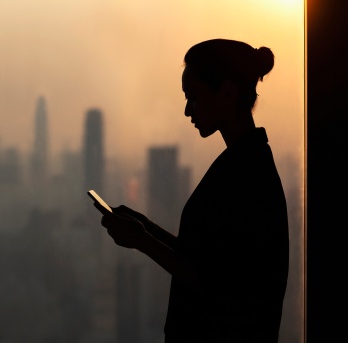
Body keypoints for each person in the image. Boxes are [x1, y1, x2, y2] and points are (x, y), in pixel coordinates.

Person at [93, 38, 289, 342]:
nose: (187, 110)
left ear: (226, 92)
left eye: (193, 97)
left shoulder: (246, 174)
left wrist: (143, 240)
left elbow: (217, 283)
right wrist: (146, 229)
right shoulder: (243, 164)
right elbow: (208, 261)